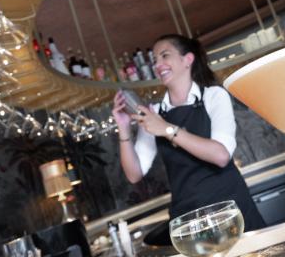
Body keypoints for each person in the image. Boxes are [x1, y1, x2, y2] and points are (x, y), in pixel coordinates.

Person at [112, 34, 265, 244]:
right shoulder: (154, 113)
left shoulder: (213, 96)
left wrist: (166, 128)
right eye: (155, 60)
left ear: (188, 60)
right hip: (189, 218)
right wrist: (123, 128)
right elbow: (134, 174)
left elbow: (220, 155)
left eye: (165, 55)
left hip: (230, 209)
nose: (158, 64)